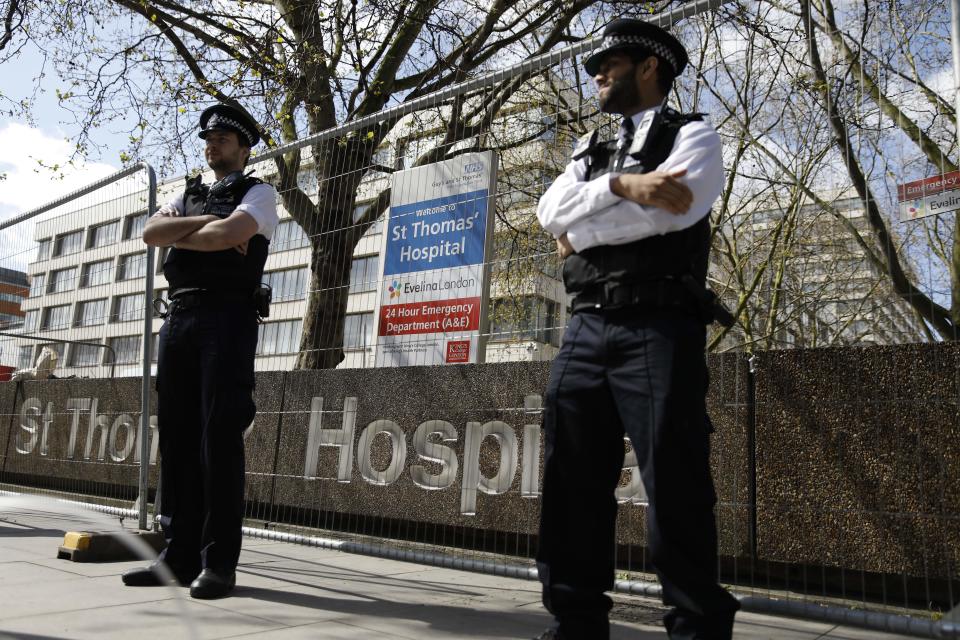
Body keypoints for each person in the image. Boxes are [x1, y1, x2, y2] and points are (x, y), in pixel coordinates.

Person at [533, 19, 739, 640]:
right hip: (586, 327)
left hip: (659, 325)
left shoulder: (693, 135)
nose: (596, 71)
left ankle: (697, 625)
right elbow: (549, 216)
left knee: (673, 479)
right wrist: (625, 186)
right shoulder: (588, 150)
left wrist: (588, 222)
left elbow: (677, 211)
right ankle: (577, 618)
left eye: (609, 61)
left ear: (649, 65)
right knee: (570, 476)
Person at [122, 103, 278, 599]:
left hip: (227, 319)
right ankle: (177, 556)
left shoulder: (259, 193)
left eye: (223, 139)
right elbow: (151, 234)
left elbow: (232, 234)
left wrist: (194, 231)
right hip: (180, 318)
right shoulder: (186, 192)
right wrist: (205, 228)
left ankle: (218, 563)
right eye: (208, 139)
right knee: (177, 440)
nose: (212, 145)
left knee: (218, 441)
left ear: (243, 147)